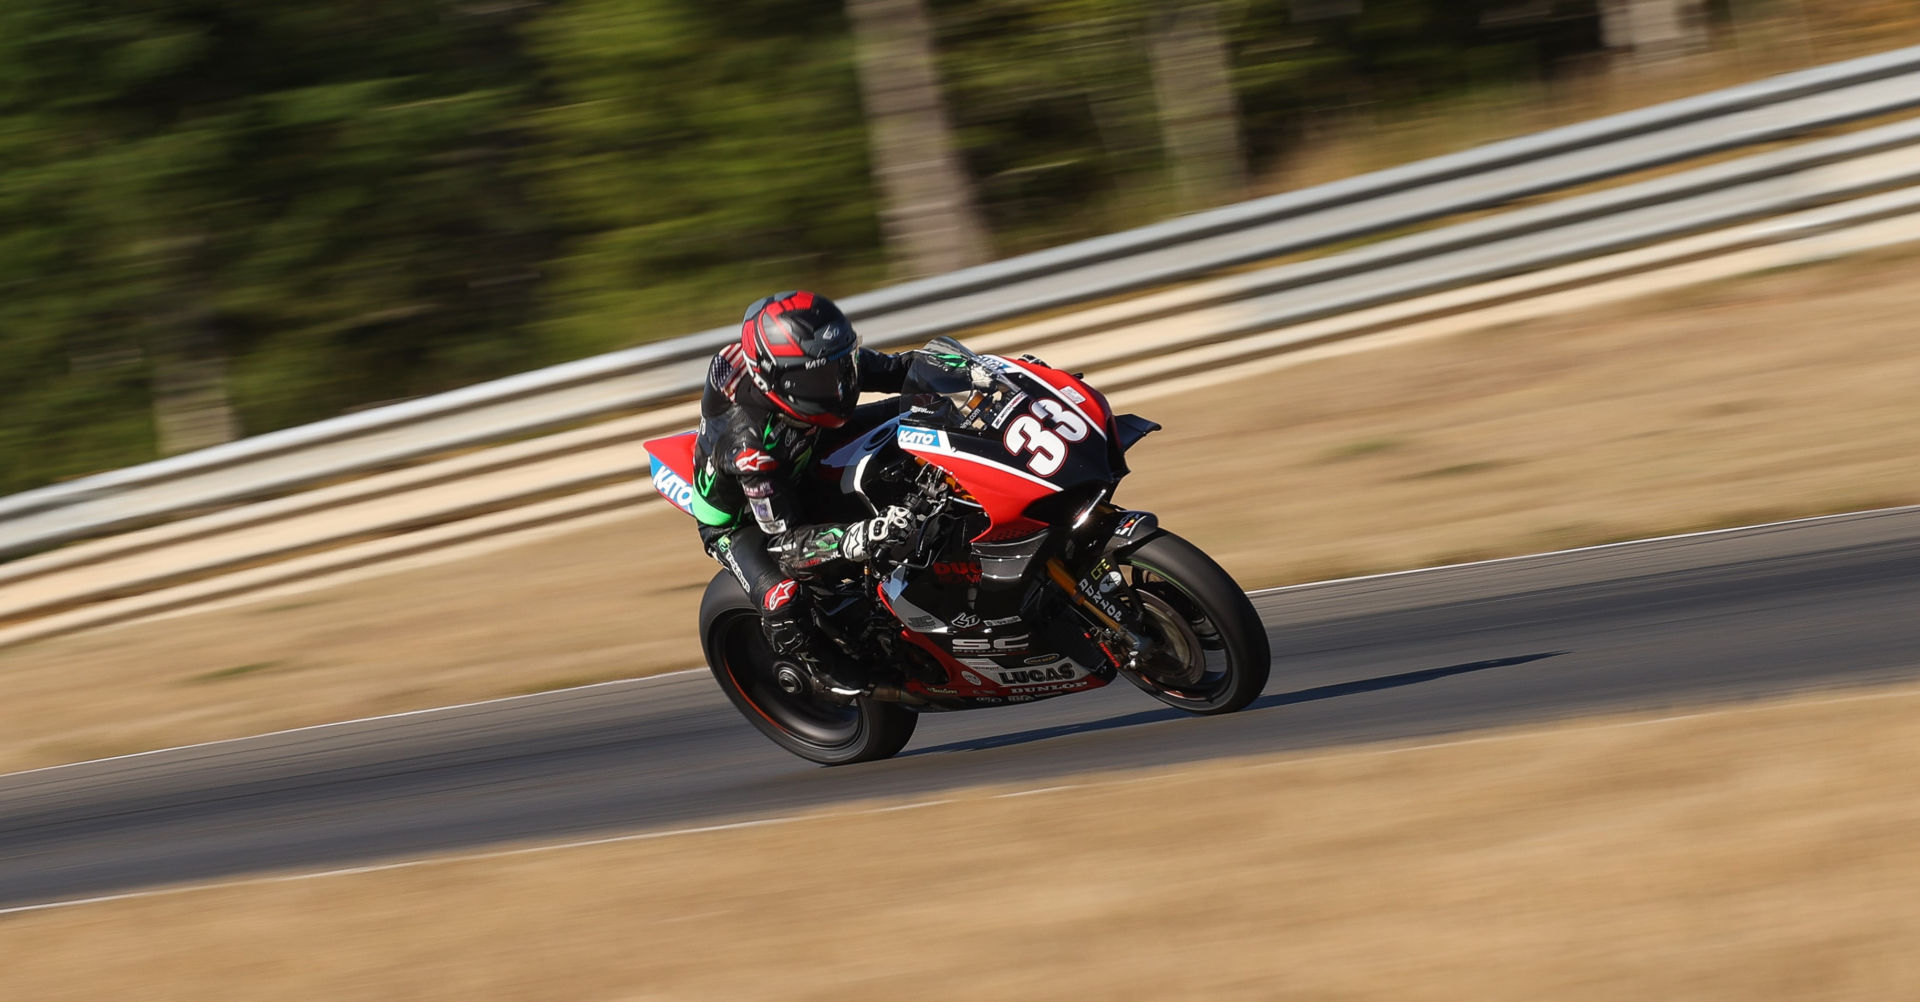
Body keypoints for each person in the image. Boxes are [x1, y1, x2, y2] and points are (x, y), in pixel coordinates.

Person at [690, 290, 916, 689]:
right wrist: (859, 537)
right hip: (743, 518)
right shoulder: (750, 450)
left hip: (802, 447)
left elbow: (901, 369)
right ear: (776, 380)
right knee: (782, 598)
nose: (840, 385)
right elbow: (788, 544)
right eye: (819, 378)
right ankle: (819, 670)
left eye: (841, 364)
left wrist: (984, 372)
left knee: (914, 413)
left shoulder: (811, 365)